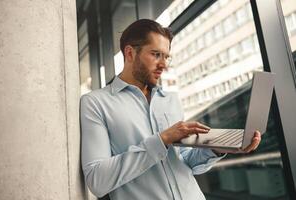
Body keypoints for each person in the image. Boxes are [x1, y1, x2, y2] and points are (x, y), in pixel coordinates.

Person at [80, 19, 261, 200]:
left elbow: (185, 161)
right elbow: (97, 180)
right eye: (156, 54)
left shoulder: (170, 100)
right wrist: (162, 139)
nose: (164, 65)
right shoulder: (96, 103)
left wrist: (217, 149)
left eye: (166, 56)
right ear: (130, 53)